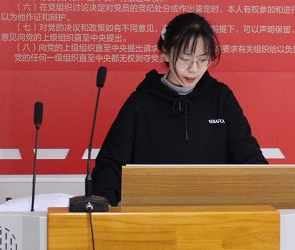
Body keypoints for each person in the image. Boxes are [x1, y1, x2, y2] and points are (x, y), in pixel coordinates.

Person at [91, 12, 267, 205]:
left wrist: (265, 188)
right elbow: (110, 165)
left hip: (214, 213)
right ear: (165, 52)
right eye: (185, 59)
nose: (194, 69)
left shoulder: (221, 98)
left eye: (203, 60)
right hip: (153, 215)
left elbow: (249, 159)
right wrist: (105, 205)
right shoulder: (141, 102)